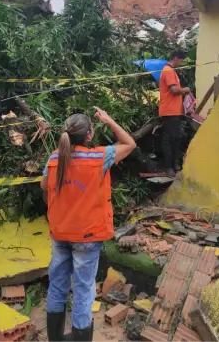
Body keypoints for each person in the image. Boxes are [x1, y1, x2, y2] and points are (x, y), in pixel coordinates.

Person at [40, 108, 136, 342]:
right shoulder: (100, 158)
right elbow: (130, 143)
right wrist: (109, 118)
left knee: (58, 285)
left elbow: (44, 188)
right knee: (83, 290)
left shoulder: (53, 158)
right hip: (88, 236)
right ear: (89, 134)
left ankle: (56, 338)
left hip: (60, 232)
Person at [159, 50, 191, 177]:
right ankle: (168, 167)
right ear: (176, 58)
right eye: (181, 60)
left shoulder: (170, 71)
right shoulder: (168, 70)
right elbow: (174, 90)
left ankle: (174, 164)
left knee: (175, 138)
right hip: (169, 111)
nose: (181, 63)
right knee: (169, 139)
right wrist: (185, 89)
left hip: (174, 111)